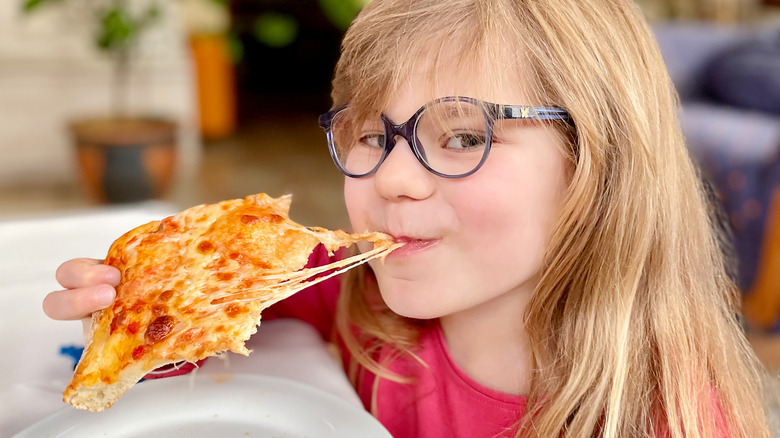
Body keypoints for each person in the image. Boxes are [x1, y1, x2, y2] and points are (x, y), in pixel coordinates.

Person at [43, 0, 774, 436]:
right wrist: (141, 322)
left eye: (462, 135)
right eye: (370, 133)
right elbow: (211, 337)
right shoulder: (345, 291)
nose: (390, 176)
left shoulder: (673, 419)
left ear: (600, 159)